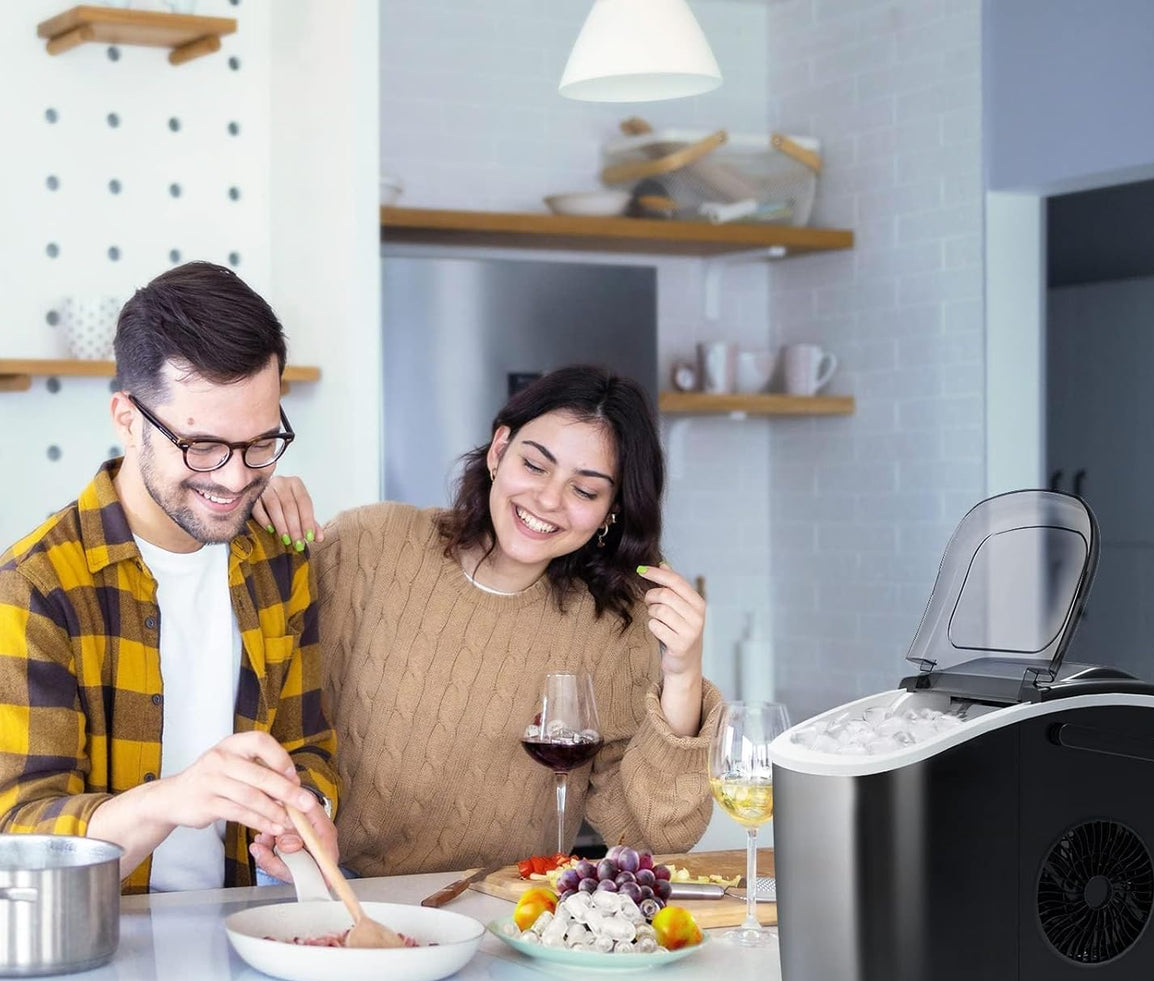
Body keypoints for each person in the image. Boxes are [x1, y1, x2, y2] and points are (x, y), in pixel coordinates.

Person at [255, 365, 719, 877]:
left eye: (585, 491)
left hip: (503, 912)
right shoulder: (368, 545)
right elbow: (251, 679)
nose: (548, 500)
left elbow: (653, 835)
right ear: (499, 450)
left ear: (611, 509)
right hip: (334, 890)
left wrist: (683, 673)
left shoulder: (610, 621)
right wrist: (255, 506)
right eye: (536, 465)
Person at [0, 262, 339, 894]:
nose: (235, 479)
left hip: (241, 936)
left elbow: (310, 747)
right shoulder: (37, 586)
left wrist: (306, 810)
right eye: (203, 446)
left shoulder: (279, 562)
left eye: (260, 443)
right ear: (127, 419)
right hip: (100, 949)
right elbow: (20, 835)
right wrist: (171, 799)